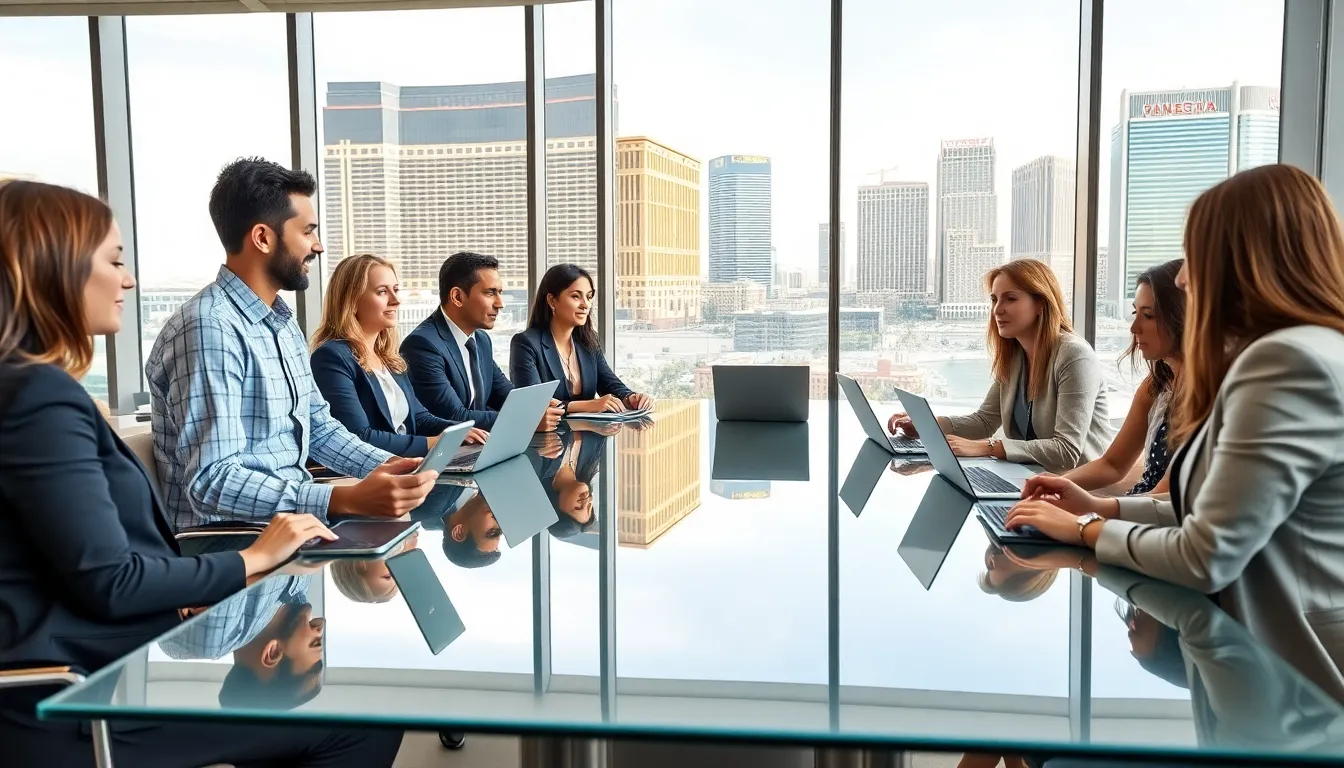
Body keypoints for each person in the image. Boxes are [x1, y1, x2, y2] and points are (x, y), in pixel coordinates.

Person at [0, 180, 401, 766]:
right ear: (53, 270)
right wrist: (253, 559)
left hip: (115, 652)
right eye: (113, 260)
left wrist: (385, 471)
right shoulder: (39, 398)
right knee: (359, 725)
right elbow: (112, 580)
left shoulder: (33, 390)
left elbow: (97, 566)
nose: (129, 280)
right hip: (70, 695)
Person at [1006, 164, 1344, 703]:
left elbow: (1205, 553)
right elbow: (1207, 511)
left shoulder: (1285, 364)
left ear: (1245, 262)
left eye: (1195, 258)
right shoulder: (1296, 354)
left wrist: (1086, 529)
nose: (1183, 280)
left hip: (1294, 691)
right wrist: (1097, 506)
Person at [146, 158, 436, 531]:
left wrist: (382, 466)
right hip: (232, 545)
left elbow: (318, 427)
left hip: (291, 533)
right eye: (308, 232)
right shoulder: (210, 328)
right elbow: (211, 482)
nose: (318, 246)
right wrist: (341, 499)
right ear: (263, 238)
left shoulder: (282, 325)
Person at [887, 258, 1111, 474]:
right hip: (1030, 478)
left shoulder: (1074, 356)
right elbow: (984, 421)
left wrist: (988, 447)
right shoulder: (1015, 356)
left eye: (1010, 299)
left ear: (1041, 304)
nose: (997, 310)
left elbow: (1067, 451)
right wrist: (928, 425)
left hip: (1078, 492)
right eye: (995, 300)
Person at [311, 253, 487, 458]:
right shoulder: (331, 357)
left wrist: (459, 431)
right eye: (382, 292)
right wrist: (435, 442)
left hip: (407, 465)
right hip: (370, 474)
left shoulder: (389, 359)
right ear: (352, 300)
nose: (396, 300)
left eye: (395, 290)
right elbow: (358, 437)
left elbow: (420, 418)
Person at [1059, 259, 1185, 496]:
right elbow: (1113, 465)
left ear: (1183, 317)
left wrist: (1091, 511)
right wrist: (1055, 484)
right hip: (1139, 511)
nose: (1134, 327)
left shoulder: (1212, 394)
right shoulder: (1156, 386)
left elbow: (1164, 498)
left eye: (1148, 315)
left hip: (1153, 521)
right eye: (1136, 313)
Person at [402, 251, 563, 433]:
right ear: (457, 297)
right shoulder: (422, 344)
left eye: (500, 292)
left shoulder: (481, 340)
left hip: (480, 446)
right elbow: (453, 416)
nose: (500, 303)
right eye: (490, 293)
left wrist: (534, 404)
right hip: (444, 455)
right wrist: (525, 419)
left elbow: (503, 394)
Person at [510, 263, 653, 415]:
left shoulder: (588, 341)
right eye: (576, 296)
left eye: (589, 296)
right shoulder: (526, 343)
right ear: (552, 301)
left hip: (587, 436)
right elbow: (533, 403)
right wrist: (589, 405)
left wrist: (631, 397)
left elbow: (610, 383)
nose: (586, 305)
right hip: (547, 437)